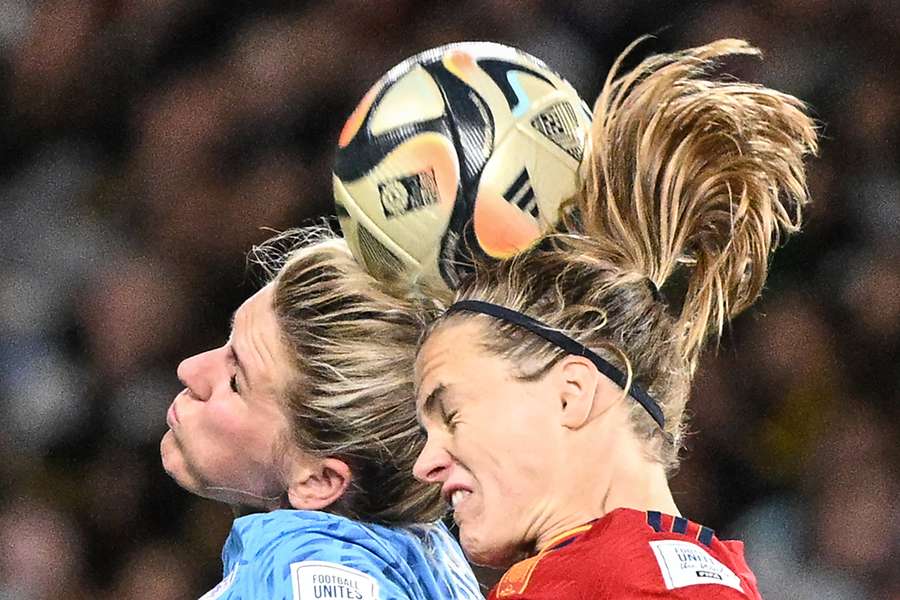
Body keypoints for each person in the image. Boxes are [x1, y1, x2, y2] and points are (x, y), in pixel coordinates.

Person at [411, 39, 817, 599]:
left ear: (571, 393)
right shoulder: (655, 576)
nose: (424, 464)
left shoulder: (624, 585)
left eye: (452, 414)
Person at [160, 232, 482, 599]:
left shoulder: (310, 571)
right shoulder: (423, 555)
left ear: (320, 480)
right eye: (227, 342)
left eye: (236, 382)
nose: (189, 369)